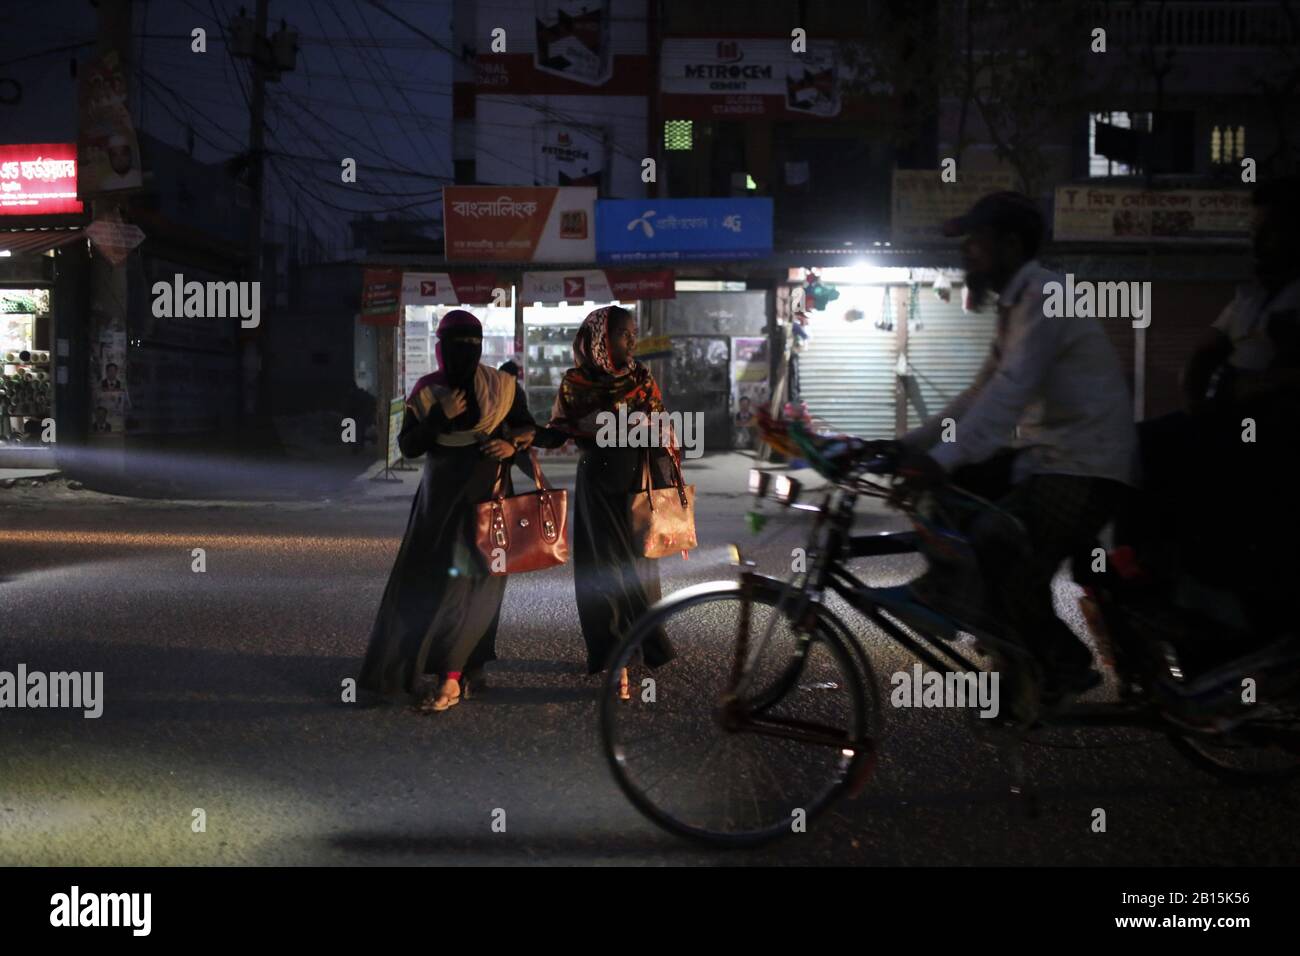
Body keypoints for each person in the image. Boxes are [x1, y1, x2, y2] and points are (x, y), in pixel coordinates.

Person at [894, 192, 1138, 699]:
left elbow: (1007, 395)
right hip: (1049, 460)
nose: (968, 255)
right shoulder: (1018, 304)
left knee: (998, 545)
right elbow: (979, 391)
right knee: (963, 501)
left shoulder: (1047, 295)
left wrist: (940, 460)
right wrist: (906, 446)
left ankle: (1064, 664)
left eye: (977, 244)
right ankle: (985, 626)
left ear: (1010, 244)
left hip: (1085, 466)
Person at [1127, 176, 1300, 636]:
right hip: (1226, 419)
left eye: (1272, 231)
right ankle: (1157, 573)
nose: (1259, 243)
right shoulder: (1249, 298)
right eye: (1254, 231)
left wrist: (1250, 388)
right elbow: (1205, 351)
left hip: (1273, 428)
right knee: (1138, 445)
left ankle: (1210, 590)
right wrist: (1197, 400)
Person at [358, 310, 537, 713]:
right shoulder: (426, 391)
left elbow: (528, 429)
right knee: (431, 583)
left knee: (476, 587)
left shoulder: (502, 387)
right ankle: (417, 668)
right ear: (441, 349)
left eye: (472, 346)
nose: (464, 354)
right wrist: (439, 417)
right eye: (456, 346)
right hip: (439, 504)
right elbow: (409, 446)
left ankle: (455, 675)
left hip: (488, 500)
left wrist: (512, 446)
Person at [532, 306, 677, 698]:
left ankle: (642, 644)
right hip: (597, 484)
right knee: (603, 571)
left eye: (633, 333)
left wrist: (646, 428)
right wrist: (521, 435)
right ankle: (615, 660)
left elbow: (665, 427)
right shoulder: (575, 382)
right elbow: (557, 432)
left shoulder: (641, 377)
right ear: (599, 339)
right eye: (623, 334)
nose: (631, 340)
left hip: (637, 483)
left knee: (639, 571)